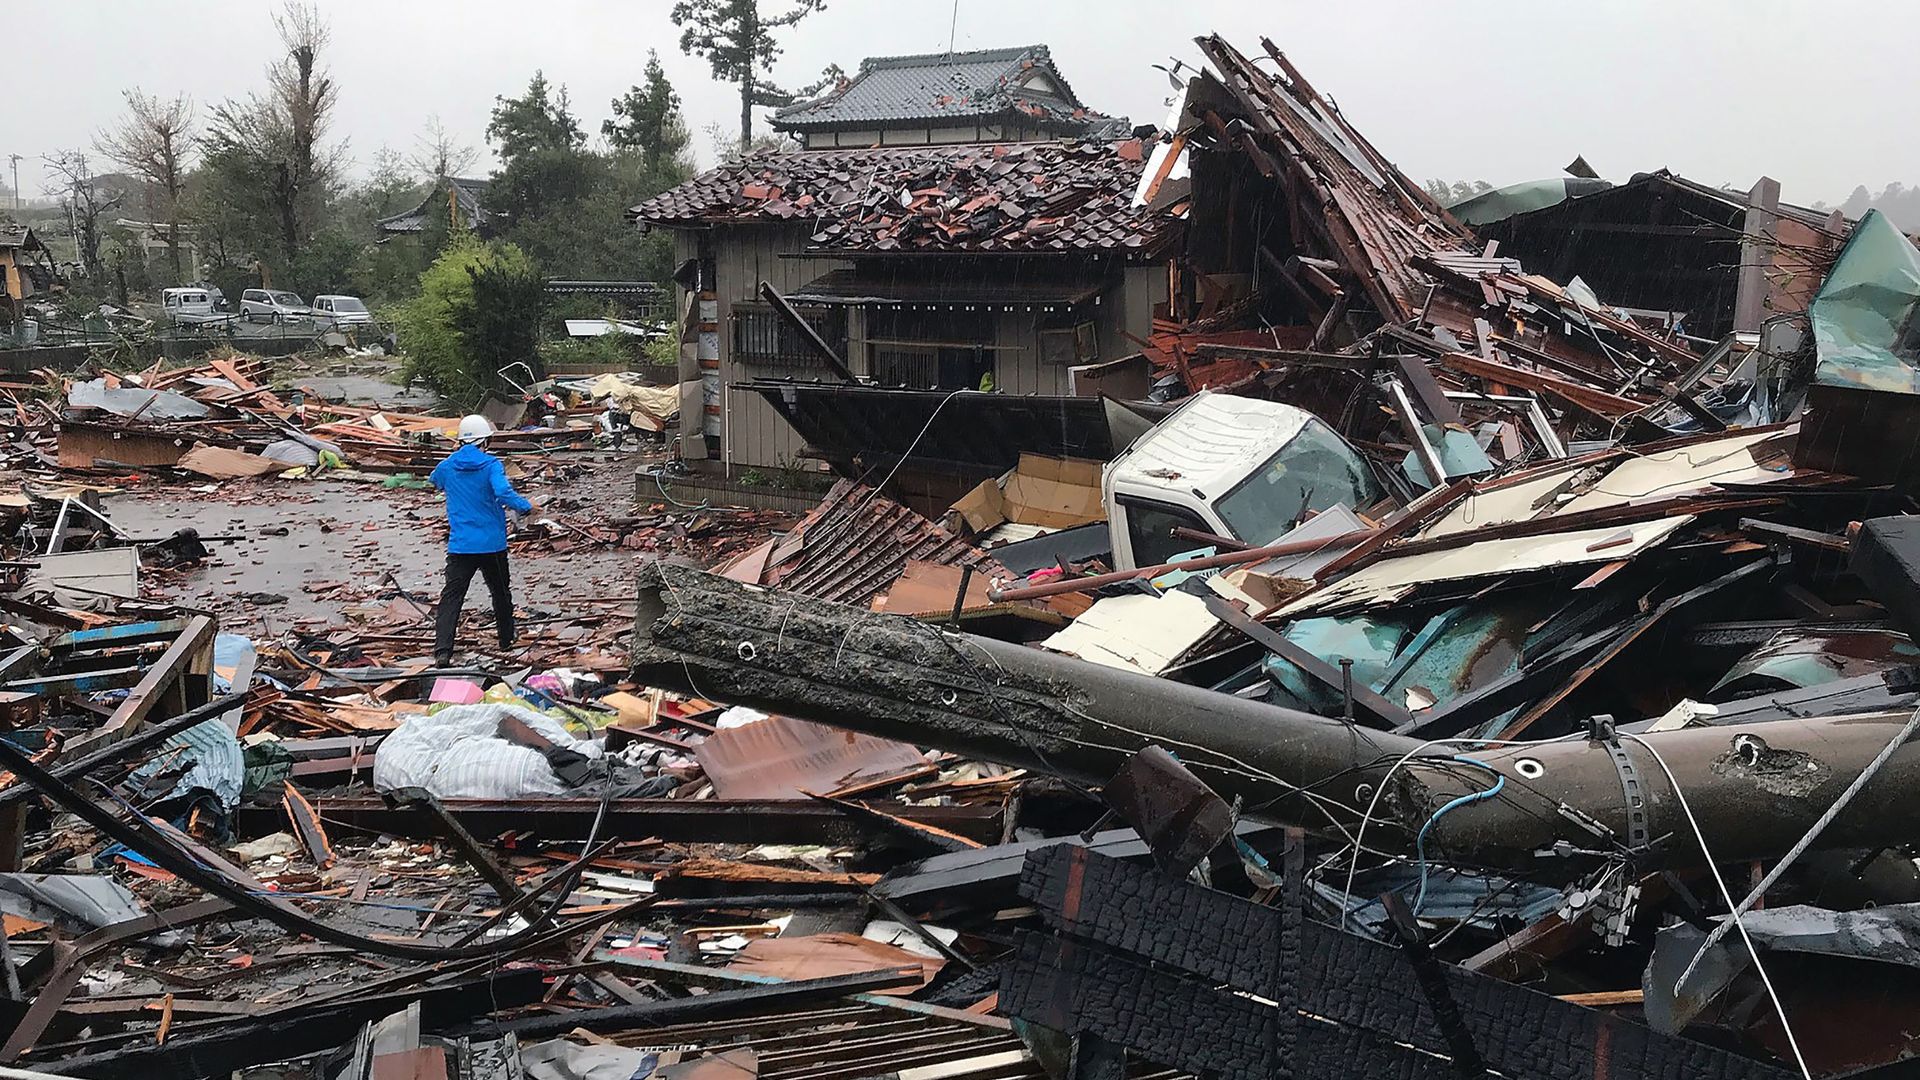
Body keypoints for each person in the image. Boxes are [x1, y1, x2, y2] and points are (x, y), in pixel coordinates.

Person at [429, 415, 535, 667]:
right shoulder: (491, 465)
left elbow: (435, 482)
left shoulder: (447, 466)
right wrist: (524, 506)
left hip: (461, 545)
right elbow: (502, 491)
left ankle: (443, 651)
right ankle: (506, 639)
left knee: (452, 597)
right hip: (492, 544)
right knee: (500, 592)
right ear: (485, 440)